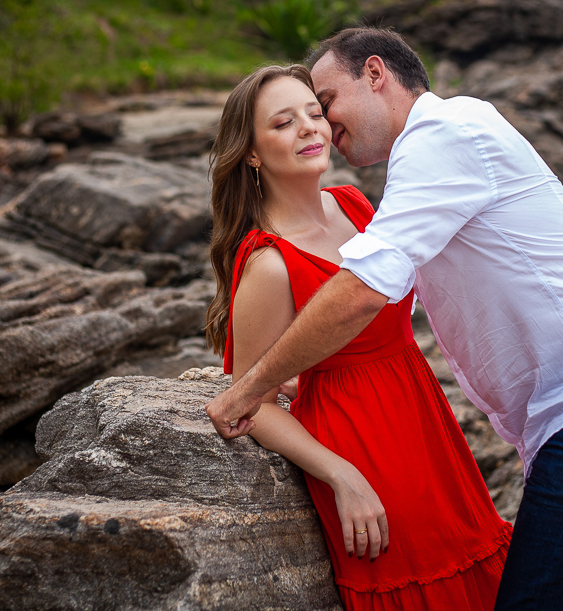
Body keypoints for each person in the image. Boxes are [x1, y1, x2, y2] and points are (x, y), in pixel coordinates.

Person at [206, 28, 563, 611]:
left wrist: (248, 388)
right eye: (293, 118)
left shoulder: (438, 140)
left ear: (375, 75)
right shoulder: (452, 131)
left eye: (323, 104)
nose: (322, 124)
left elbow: (363, 290)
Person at [206, 62, 512, 610]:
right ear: (250, 153)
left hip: (425, 421)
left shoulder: (354, 204)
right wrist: (340, 475)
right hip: (359, 443)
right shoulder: (268, 262)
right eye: (283, 123)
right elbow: (254, 401)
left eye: (315, 113)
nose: (309, 128)